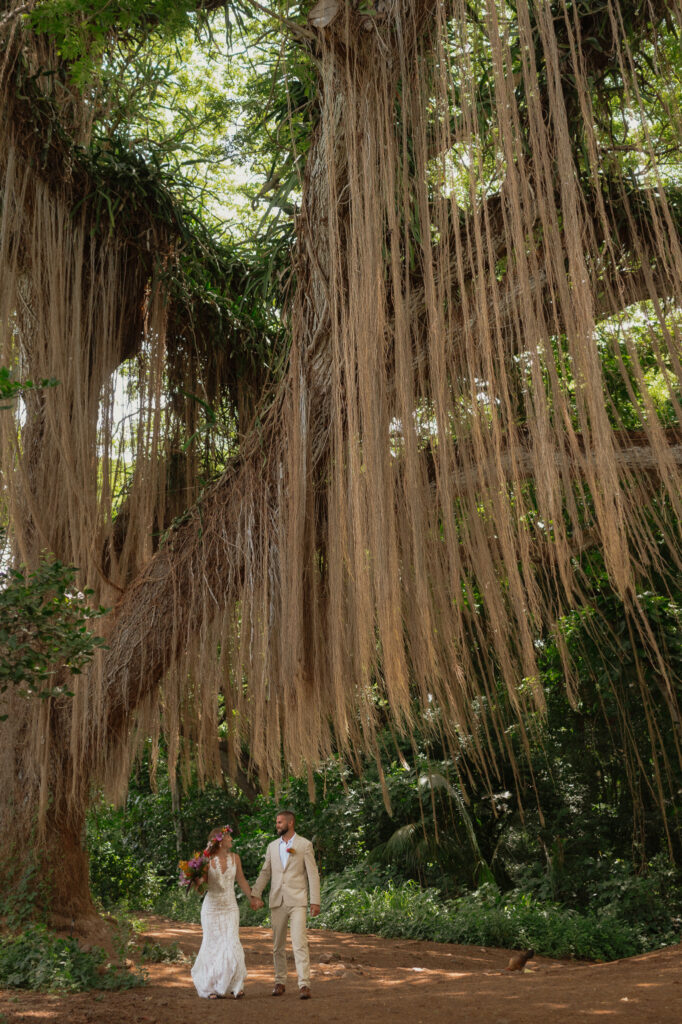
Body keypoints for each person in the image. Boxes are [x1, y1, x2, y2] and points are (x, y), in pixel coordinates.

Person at [250, 809, 321, 1000]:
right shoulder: (272, 846)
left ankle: (304, 984)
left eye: (280, 822)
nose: (277, 825)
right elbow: (265, 872)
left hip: (298, 900)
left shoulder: (305, 845)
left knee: (299, 942)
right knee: (277, 945)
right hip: (277, 900)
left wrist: (315, 900)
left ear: (290, 823)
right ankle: (279, 981)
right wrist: (255, 893)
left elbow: (312, 874)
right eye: (276, 822)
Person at [190, 825, 253, 1000]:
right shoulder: (206, 862)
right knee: (213, 945)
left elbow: (241, 880)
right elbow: (201, 890)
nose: (231, 839)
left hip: (231, 907)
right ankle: (210, 987)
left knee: (232, 943)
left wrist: (252, 898)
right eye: (228, 837)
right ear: (220, 840)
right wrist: (195, 880)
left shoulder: (236, 858)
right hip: (211, 909)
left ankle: (236, 985)